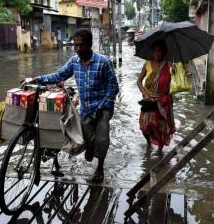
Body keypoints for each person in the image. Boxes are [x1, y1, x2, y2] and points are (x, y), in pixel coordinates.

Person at [26, 29, 119, 182]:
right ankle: (90, 148)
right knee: (84, 137)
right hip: (86, 108)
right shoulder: (74, 61)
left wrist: (103, 105)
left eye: (81, 45)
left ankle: (100, 168)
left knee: (102, 138)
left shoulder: (104, 62)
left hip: (103, 107)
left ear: (89, 45)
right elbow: (59, 75)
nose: (77, 49)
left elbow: (113, 87)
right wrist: (38, 79)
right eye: (75, 45)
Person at [137, 40, 175, 150]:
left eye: (160, 51)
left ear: (164, 52)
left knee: (160, 128)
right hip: (148, 101)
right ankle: (148, 143)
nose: (157, 54)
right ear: (152, 52)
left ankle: (159, 150)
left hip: (162, 102)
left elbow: (175, 83)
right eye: (155, 51)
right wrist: (144, 94)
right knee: (145, 127)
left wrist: (176, 71)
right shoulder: (147, 64)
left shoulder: (169, 66)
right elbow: (139, 81)